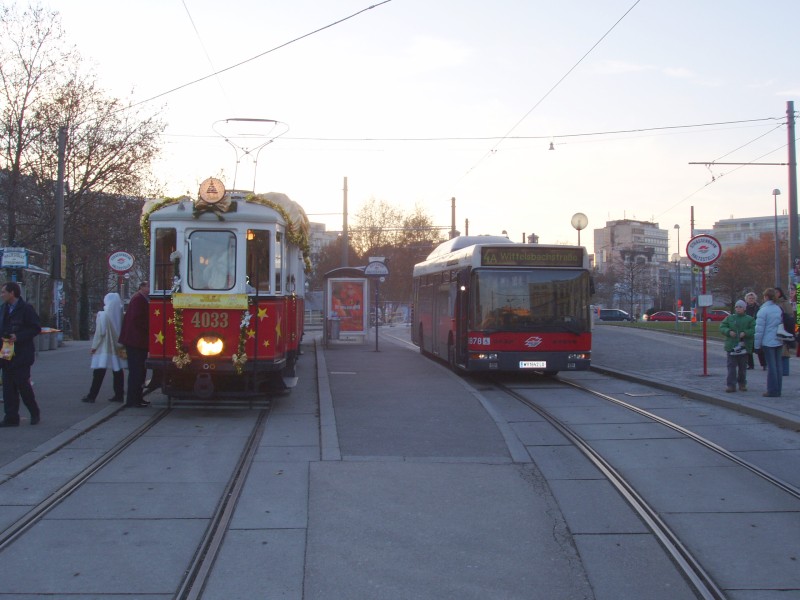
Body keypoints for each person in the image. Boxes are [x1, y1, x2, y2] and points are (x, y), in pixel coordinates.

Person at [0, 282, 41, 426]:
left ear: (12, 293)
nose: (2, 294)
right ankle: (11, 417)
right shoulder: (3, 308)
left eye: (4, 292)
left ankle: (34, 412)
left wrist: (18, 336)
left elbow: (35, 328)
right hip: (6, 354)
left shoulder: (26, 309)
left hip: (22, 354)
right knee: (8, 387)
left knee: (23, 385)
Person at [81, 292, 126, 403]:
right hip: (119, 347)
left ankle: (92, 395)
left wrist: (94, 347)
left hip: (105, 348)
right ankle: (119, 394)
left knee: (99, 372)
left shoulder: (103, 315)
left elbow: (100, 333)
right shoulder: (121, 315)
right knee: (118, 371)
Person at [119, 281, 150, 408]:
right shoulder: (138, 300)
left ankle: (138, 397)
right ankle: (133, 400)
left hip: (137, 341)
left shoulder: (140, 299)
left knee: (140, 371)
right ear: (142, 287)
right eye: (148, 286)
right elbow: (138, 320)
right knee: (136, 371)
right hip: (135, 341)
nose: (150, 289)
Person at [754, 288, 784, 397]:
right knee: (778, 366)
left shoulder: (763, 310)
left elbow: (759, 330)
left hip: (768, 341)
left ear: (766, 297)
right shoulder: (778, 308)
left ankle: (772, 390)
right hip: (779, 339)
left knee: (771, 367)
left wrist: (757, 346)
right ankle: (778, 389)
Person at [720, 300, 755, 393]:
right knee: (731, 367)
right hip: (731, 346)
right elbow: (722, 327)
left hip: (744, 347)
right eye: (737, 307)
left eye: (740, 307)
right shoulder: (730, 318)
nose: (738, 309)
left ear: (744, 308)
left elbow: (753, 329)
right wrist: (728, 331)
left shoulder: (749, 319)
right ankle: (731, 385)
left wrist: (745, 333)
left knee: (742, 367)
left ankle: (742, 383)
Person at [774, 287, 794, 376]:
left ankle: (785, 370)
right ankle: (778, 369)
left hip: (784, 327)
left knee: (784, 349)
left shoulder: (784, 303)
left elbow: (790, 315)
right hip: (774, 328)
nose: (776, 294)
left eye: (777, 292)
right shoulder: (772, 303)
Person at [744, 291, 765, 370]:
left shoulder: (758, 308)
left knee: (759, 348)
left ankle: (764, 364)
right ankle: (750, 364)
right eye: (750, 298)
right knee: (748, 348)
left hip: (756, 328)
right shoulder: (745, 308)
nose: (751, 300)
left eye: (753, 298)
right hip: (748, 329)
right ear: (747, 299)